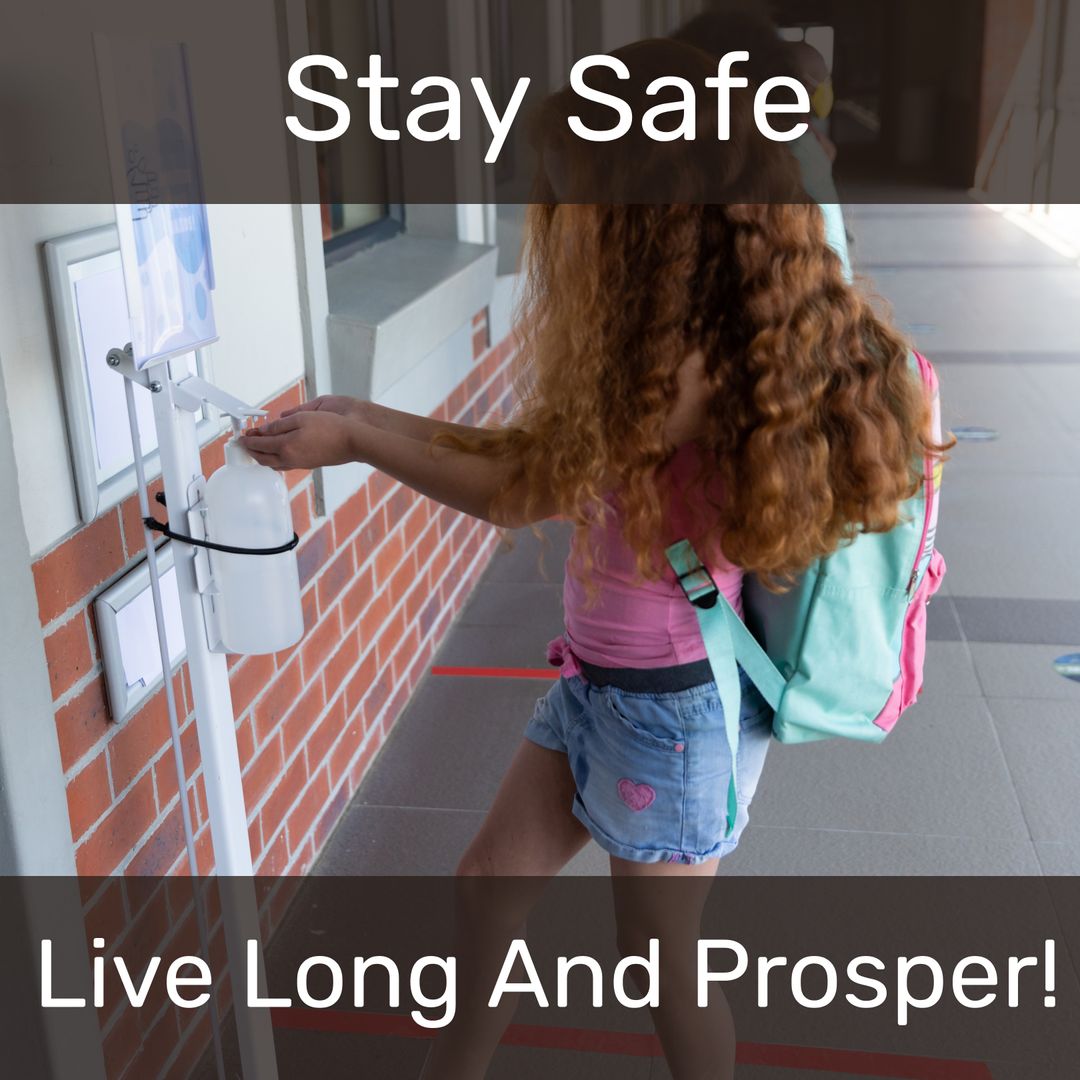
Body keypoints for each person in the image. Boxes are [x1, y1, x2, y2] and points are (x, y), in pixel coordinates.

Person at [240, 38, 939, 1080]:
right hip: (598, 682)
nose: (554, 219)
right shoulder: (666, 339)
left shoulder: (687, 366)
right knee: (488, 883)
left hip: (674, 712)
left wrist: (360, 442)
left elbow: (521, 490)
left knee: (660, 969)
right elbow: (541, 456)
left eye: (570, 195)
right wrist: (361, 413)